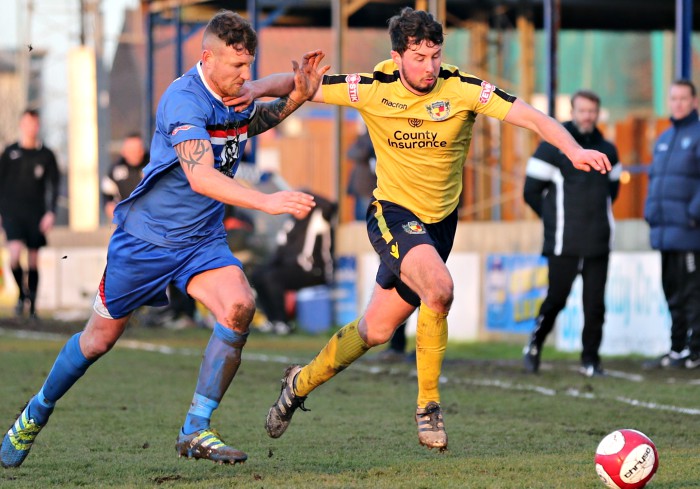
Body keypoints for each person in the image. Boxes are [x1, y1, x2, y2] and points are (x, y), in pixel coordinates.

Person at [263, 7, 611, 452]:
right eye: (419, 57)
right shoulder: (373, 87)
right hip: (392, 214)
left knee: (375, 331)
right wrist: (247, 89)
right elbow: (297, 86)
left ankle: (298, 383)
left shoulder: (463, 89)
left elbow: (535, 118)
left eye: (435, 55)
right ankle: (428, 406)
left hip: (439, 226)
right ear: (397, 56)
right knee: (440, 290)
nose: (429, 66)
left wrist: (574, 148)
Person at [0, 10, 329, 469]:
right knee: (97, 342)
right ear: (206, 58)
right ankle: (35, 411)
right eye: (236, 67)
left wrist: (297, 93)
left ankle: (195, 427)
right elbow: (201, 177)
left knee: (239, 306)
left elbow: (256, 117)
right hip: (145, 243)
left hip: (201, 241)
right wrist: (266, 201)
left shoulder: (234, 94)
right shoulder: (182, 100)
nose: (244, 76)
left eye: (248, 66)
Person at [521, 90, 621, 377]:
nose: (587, 116)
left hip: (599, 242)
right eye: (582, 110)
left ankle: (590, 359)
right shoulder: (552, 147)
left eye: (592, 111)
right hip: (564, 242)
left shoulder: (609, 149)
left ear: (597, 113)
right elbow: (530, 192)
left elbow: (612, 191)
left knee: (595, 306)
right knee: (556, 300)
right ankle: (534, 345)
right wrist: (553, 220)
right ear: (573, 112)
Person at [643, 79, 700, 370]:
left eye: (683, 98)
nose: (678, 103)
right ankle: (677, 349)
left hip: (690, 233)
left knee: (693, 293)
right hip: (665, 232)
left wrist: (694, 214)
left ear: (694, 101)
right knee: (672, 292)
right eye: (673, 98)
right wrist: (649, 211)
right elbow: (655, 181)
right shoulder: (664, 138)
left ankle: (695, 351)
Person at [0, 109, 60, 319]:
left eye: (34, 123)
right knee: (14, 256)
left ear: (38, 126)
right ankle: (21, 294)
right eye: (26, 123)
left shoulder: (46, 155)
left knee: (33, 260)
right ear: (21, 125)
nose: (30, 127)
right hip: (12, 213)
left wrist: (50, 213)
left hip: (36, 214)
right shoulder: (9, 153)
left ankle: (32, 306)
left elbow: (54, 185)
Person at [251, 192, 336, 335]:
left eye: (300, 205)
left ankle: (283, 322)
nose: (296, 209)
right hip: (291, 269)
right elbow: (280, 250)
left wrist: (307, 195)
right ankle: (272, 320)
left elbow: (332, 206)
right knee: (258, 274)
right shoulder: (291, 223)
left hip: (313, 271)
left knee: (273, 278)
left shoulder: (319, 217)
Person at [101, 132, 148, 220]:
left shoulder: (152, 165)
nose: (134, 153)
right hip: (126, 217)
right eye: (131, 150)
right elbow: (107, 193)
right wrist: (109, 205)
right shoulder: (115, 169)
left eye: (137, 150)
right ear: (123, 152)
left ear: (142, 151)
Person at [346, 127, 377, 220]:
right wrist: (369, 148)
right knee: (363, 218)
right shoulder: (365, 139)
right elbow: (351, 154)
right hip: (364, 186)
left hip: (373, 186)